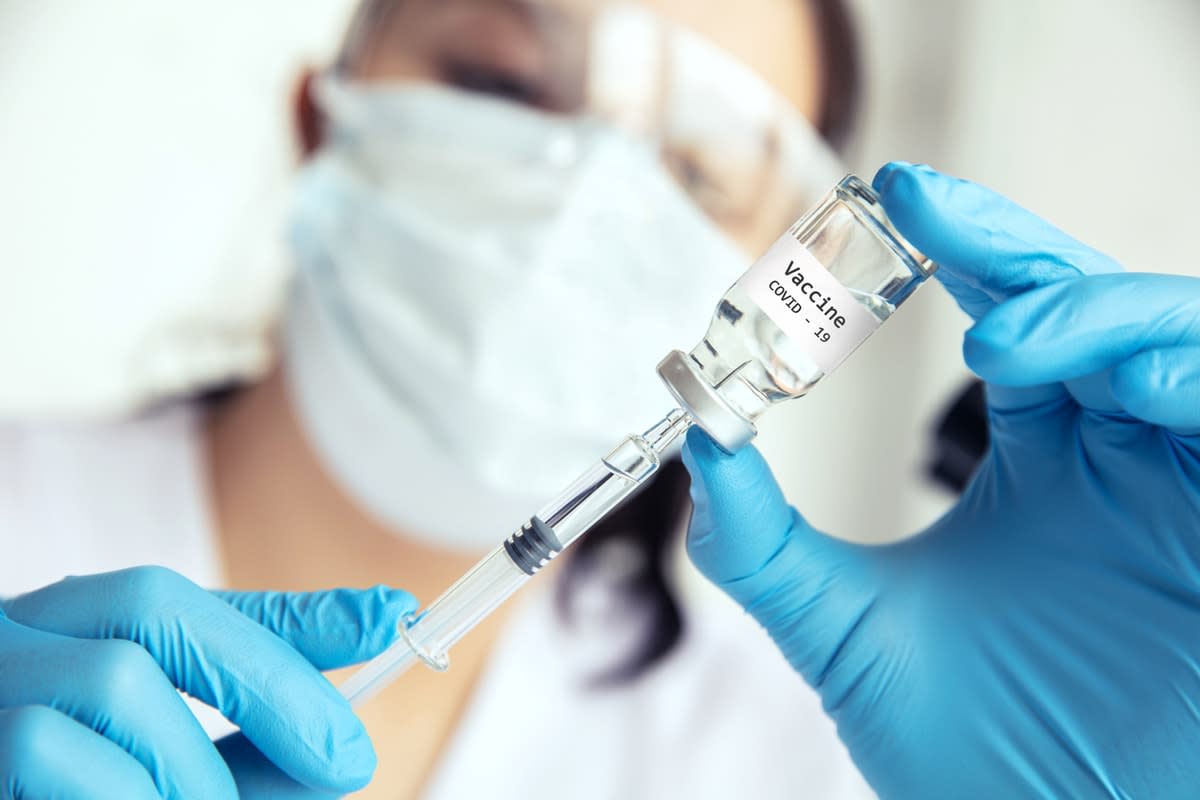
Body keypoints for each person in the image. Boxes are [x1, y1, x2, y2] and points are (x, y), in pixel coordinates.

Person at [4, 6, 1199, 800]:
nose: (579, 199)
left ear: (771, 265)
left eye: (695, 169)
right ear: (322, 116)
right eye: (504, 81)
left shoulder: (786, 758)